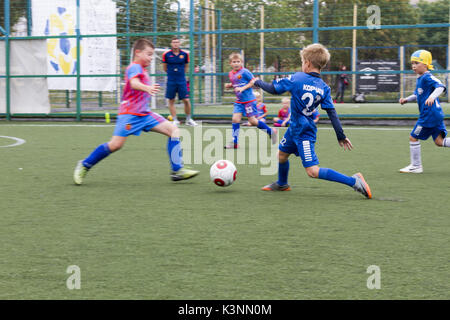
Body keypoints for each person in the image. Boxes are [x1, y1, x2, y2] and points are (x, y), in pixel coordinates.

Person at [250, 43, 372, 198]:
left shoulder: (297, 78)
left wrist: (257, 82)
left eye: (302, 62)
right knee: (281, 155)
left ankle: (354, 181)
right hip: (294, 128)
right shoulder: (324, 87)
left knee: (313, 171)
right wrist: (340, 135)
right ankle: (282, 184)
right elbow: (331, 112)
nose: (302, 65)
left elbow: (273, 89)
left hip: (304, 134)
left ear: (307, 63)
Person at [73, 39, 199, 185]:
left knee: (174, 130)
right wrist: (148, 88)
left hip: (145, 114)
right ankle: (84, 165)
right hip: (129, 114)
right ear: (138, 53)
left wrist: (148, 87)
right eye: (149, 54)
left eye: (152, 55)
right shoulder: (134, 67)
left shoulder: (143, 70)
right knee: (115, 145)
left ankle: (178, 170)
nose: (151, 58)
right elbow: (134, 83)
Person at [398, 49, 449, 173]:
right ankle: (416, 166)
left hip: (428, 115)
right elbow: (417, 94)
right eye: (412, 63)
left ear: (425, 64)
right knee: (439, 141)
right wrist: (406, 99)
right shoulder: (420, 78)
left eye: (417, 63)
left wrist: (432, 97)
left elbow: (441, 86)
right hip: (435, 114)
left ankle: (416, 166)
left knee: (413, 137)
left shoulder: (427, 76)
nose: (413, 66)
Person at [224, 52, 277, 149]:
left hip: (249, 100)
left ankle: (271, 132)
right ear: (230, 63)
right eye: (234, 62)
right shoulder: (231, 74)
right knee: (235, 119)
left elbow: (253, 81)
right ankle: (235, 143)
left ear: (241, 62)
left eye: (238, 61)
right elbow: (236, 82)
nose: (236, 63)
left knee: (252, 121)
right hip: (239, 101)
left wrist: (243, 88)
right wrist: (229, 85)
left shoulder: (245, 72)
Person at [162, 37, 198, 126]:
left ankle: (189, 120)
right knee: (171, 100)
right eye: (174, 42)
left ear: (179, 43)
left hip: (182, 80)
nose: (175, 44)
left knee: (186, 100)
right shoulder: (166, 54)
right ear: (171, 43)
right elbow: (165, 68)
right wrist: (172, 74)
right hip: (171, 80)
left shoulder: (185, 54)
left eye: (177, 42)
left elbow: (186, 66)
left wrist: (181, 74)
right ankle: (175, 120)